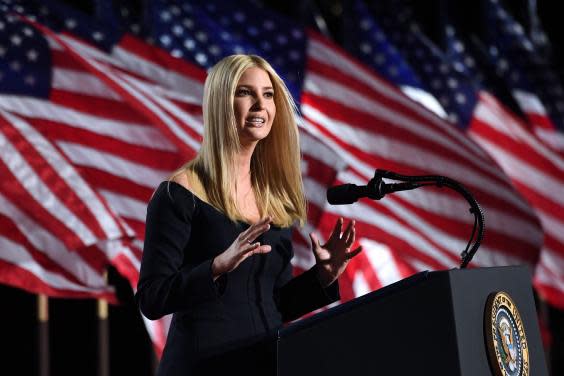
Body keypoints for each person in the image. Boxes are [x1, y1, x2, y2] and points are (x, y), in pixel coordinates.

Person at [136, 54, 362, 375]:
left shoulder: (274, 200)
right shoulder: (179, 193)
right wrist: (216, 266)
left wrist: (323, 276)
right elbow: (152, 298)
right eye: (245, 92)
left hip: (264, 365)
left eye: (267, 94)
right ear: (220, 104)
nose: (260, 104)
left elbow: (274, 306)